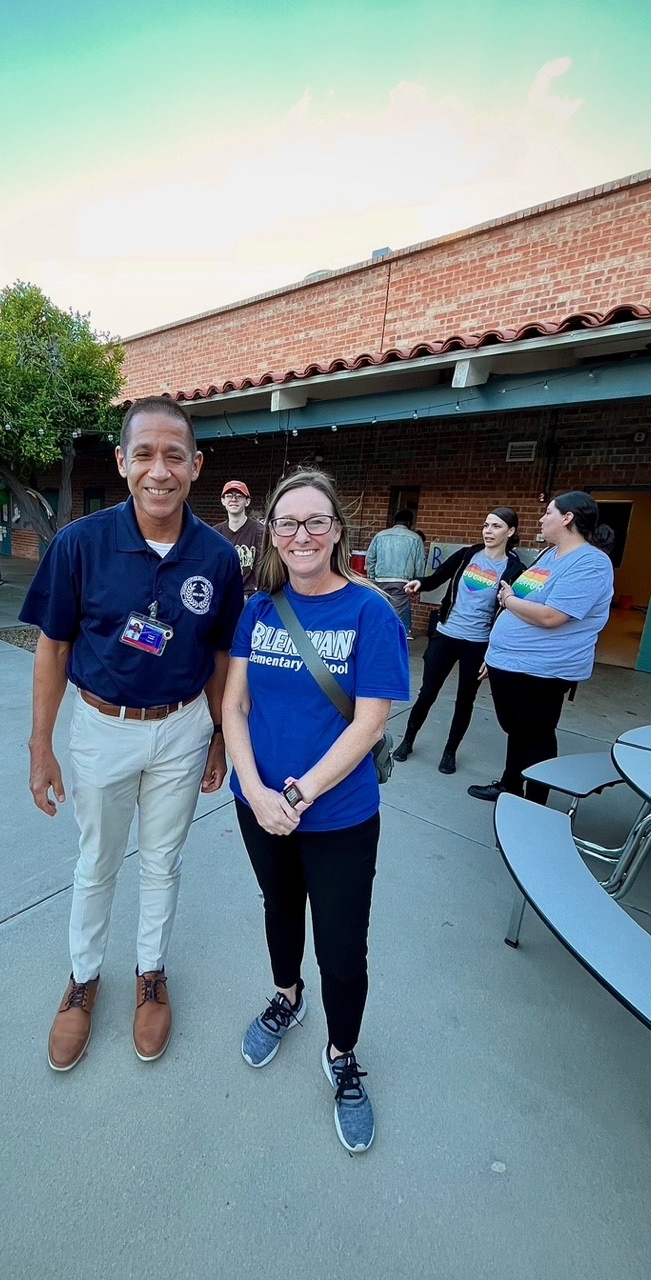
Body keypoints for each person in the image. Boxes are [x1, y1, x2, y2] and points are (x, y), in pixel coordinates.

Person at [20, 396, 243, 1072]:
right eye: (144, 453)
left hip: (181, 729)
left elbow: (222, 655)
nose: (159, 469)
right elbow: (52, 648)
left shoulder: (218, 558)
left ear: (196, 465)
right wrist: (41, 745)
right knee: (97, 862)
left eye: (175, 455)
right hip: (101, 729)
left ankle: (151, 973)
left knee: (163, 861)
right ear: (122, 462)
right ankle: (84, 978)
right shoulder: (79, 544)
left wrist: (220, 738)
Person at [223, 469, 410, 1154]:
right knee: (279, 906)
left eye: (316, 522)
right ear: (272, 533)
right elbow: (234, 706)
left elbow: (368, 725)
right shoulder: (260, 609)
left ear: (337, 532)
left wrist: (296, 798)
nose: (301, 535)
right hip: (259, 804)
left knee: (341, 945)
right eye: (287, 523)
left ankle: (341, 1055)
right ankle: (286, 996)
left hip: (339, 817)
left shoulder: (371, 614)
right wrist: (254, 787)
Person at [468, 493, 615, 804]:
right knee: (518, 731)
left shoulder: (591, 563)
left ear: (567, 518)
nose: (541, 519)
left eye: (548, 512)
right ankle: (510, 784)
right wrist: (496, 653)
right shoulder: (550, 556)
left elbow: (552, 616)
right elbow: (527, 599)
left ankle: (534, 804)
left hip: (543, 670)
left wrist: (508, 599)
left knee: (536, 738)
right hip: (511, 663)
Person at [393, 508, 524, 774]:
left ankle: (450, 751)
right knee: (427, 692)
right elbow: (438, 577)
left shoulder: (515, 569)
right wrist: (420, 582)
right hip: (446, 634)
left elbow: (512, 615)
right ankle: (408, 740)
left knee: (466, 699)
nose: (488, 531)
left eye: (496, 526)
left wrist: (495, 652)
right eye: (486, 525)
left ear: (510, 532)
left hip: (477, 643)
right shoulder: (468, 555)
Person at [365, 509, 426, 633]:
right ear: (409, 522)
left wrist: (372, 575)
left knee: (379, 610)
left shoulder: (380, 535)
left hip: (380, 580)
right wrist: (417, 584)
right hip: (402, 582)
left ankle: (375, 634)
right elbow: (420, 563)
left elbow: (370, 558)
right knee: (394, 614)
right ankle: (387, 637)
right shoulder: (415, 538)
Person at [213, 480, 264, 598]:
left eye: (239, 496)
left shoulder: (260, 531)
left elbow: (264, 569)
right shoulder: (215, 533)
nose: (233, 499)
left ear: (247, 501)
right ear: (223, 501)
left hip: (250, 596)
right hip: (223, 595)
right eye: (229, 496)